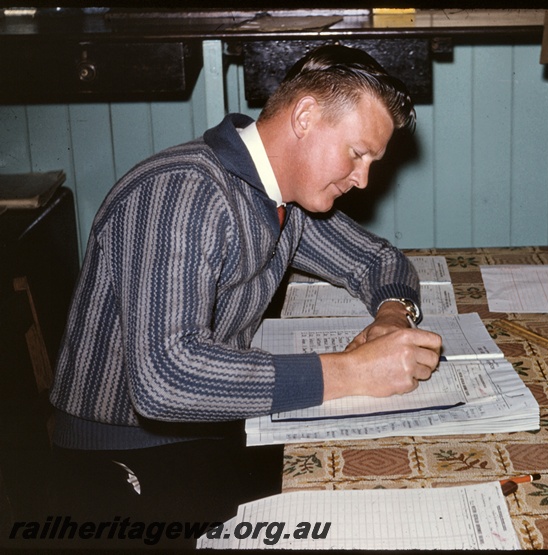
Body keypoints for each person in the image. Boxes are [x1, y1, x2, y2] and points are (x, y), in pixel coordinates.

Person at [40, 44, 442, 545]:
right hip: (116, 459)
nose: (362, 179)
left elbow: (378, 260)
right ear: (305, 116)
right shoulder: (180, 192)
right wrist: (352, 371)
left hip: (203, 433)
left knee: (371, 493)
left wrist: (392, 318)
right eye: (357, 153)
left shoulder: (280, 197)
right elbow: (166, 378)